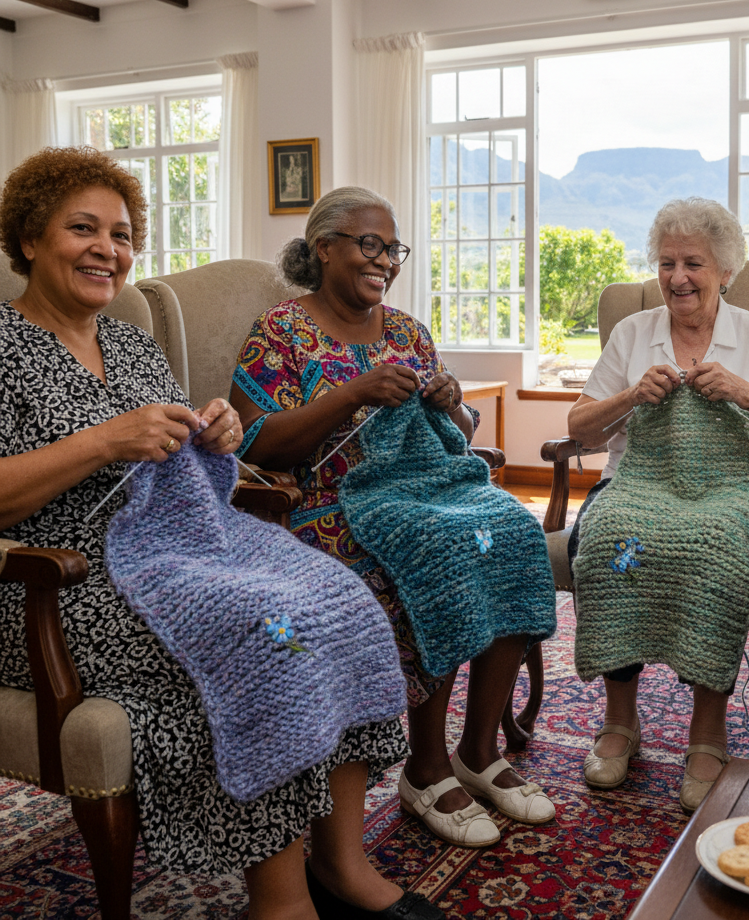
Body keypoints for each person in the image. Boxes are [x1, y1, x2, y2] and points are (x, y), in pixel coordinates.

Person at [0, 148, 440, 920]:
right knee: (265, 637)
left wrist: (219, 431)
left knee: (341, 600)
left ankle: (339, 859)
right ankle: (279, 896)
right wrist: (106, 440)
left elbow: (173, 447)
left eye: (123, 233)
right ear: (30, 238)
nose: (109, 248)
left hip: (181, 549)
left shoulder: (130, 341)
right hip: (61, 580)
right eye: (83, 228)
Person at [230, 186, 555, 850]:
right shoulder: (281, 331)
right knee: (437, 549)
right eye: (368, 244)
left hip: (426, 489)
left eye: (393, 248)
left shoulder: (408, 331)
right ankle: (426, 767)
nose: (384, 260)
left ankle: (478, 749)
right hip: (325, 508)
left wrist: (452, 400)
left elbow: (458, 435)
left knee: (515, 536)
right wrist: (352, 394)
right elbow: (254, 441)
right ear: (323, 248)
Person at [565, 197, 749, 812]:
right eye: (667, 262)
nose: (678, 277)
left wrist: (746, 392)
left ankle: (707, 733)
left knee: (717, 552)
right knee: (606, 543)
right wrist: (629, 396)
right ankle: (619, 722)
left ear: (726, 270)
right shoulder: (633, 334)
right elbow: (580, 430)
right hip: (640, 487)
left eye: (694, 264)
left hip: (731, 493)